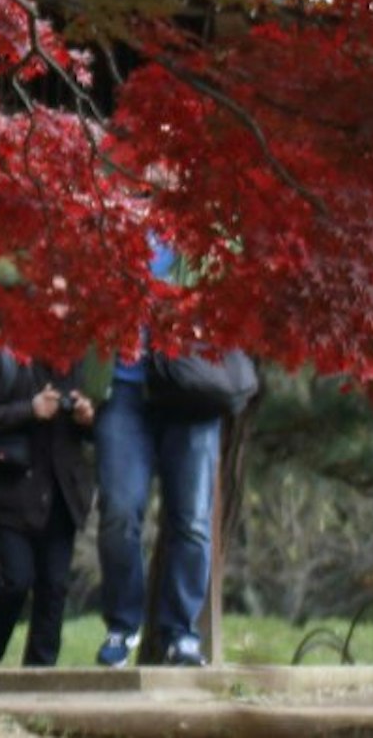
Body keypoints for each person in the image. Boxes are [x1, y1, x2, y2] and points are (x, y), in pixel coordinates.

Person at [95, 238, 247, 668]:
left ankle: (181, 633)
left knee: (192, 521)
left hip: (190, 391)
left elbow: (240, 308)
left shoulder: (212, 236)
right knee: (119, 509)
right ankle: (122, 626)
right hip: (125, 391)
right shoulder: (112, 219)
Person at [0, 343, 96, 668]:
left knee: (54, 589)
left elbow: (104, 428)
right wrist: (28, 410)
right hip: (10, 491)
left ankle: (41, 676)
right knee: (15, 580)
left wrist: (87, 417)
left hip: (63, 493)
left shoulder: (82, 358)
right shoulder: (1, 354)